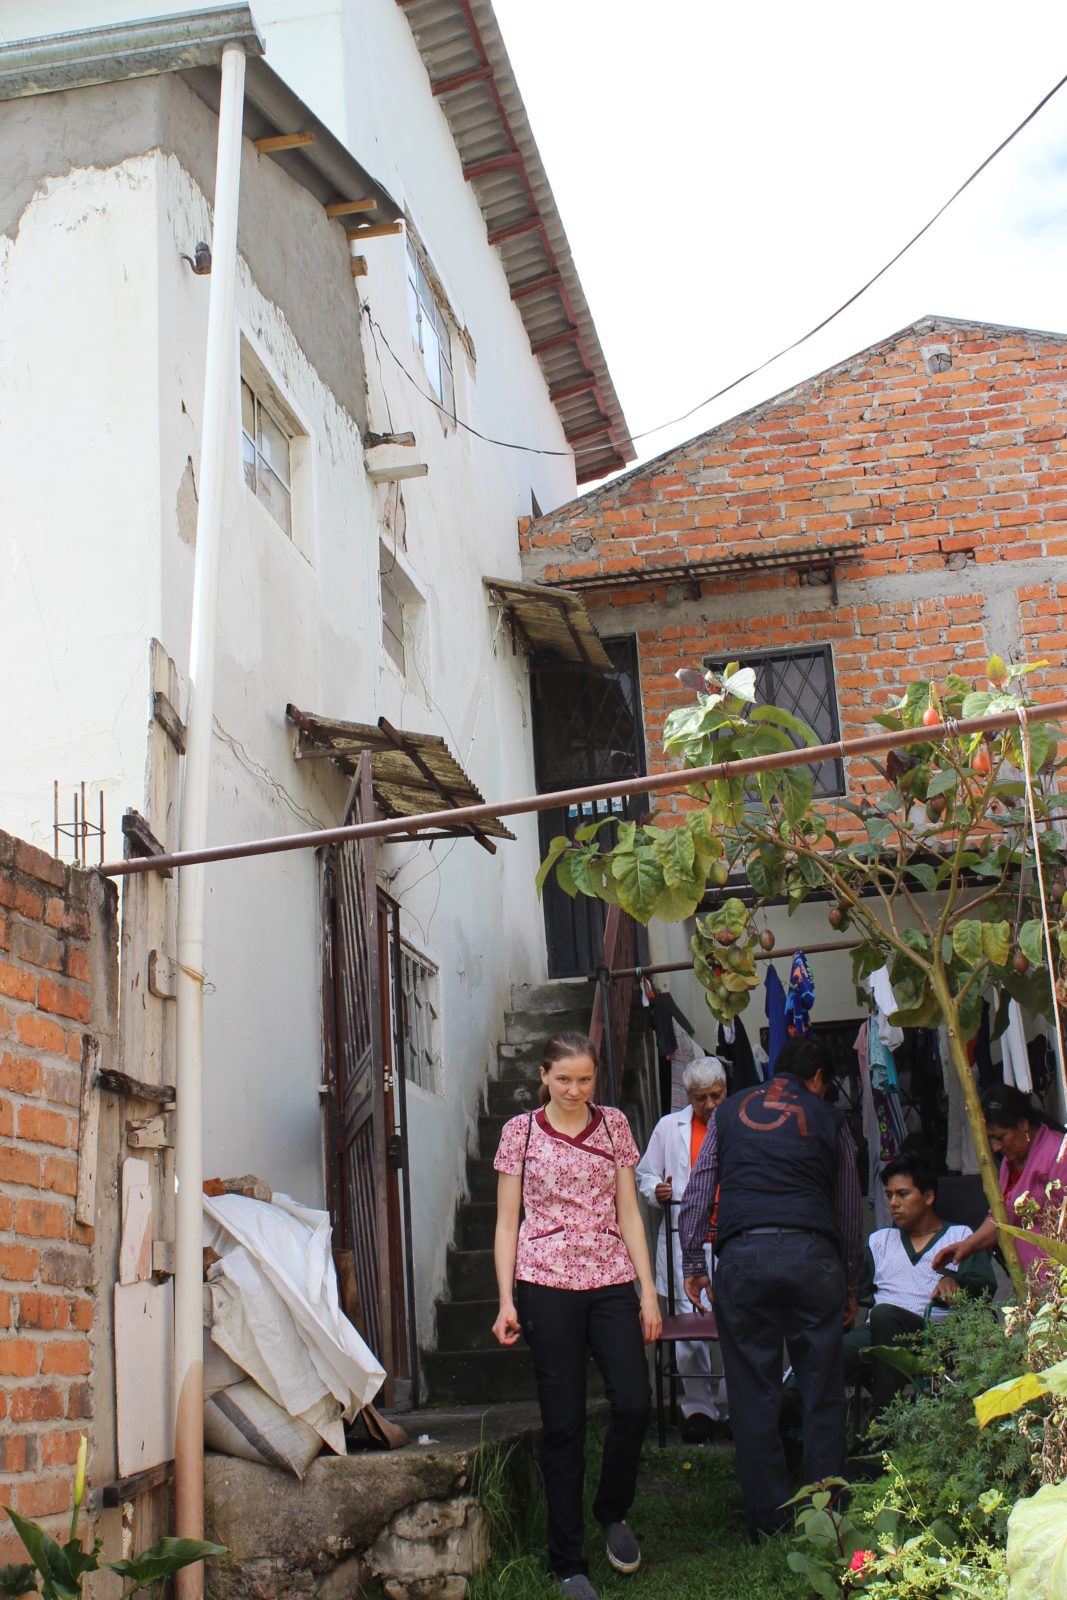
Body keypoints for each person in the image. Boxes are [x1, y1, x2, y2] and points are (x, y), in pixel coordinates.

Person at [492, 1033, 661, 1600]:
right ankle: (567, 1562)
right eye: (563, 1079)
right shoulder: (519, 1133)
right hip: (544, 1283)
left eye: (584, 1079)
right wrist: (506, 1299)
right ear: (543, 1076)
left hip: (611, 1279)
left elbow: (630, 1213)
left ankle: (612, 1511)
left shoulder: (613, 1125)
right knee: (562, 1424)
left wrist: (648, 1291)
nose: (574, 1089)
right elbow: (507, 1222)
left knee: (633, 1401)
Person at [678, 1034, 862, 1541]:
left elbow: (699, 1189)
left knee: (752, 1393)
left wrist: (693, 1261)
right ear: (819, 1078)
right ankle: (826, 1517)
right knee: (822, 1390)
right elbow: (849, 1206)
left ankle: (768, 1524)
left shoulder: (728, 1113)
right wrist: (850, 1280)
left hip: (743, 1258)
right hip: (812, 1257)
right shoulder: (831, 1119)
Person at [845, 1153, 996, 1412]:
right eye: (889, 1195)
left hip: (933, 1335)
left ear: (928, 1197)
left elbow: (985, 1286)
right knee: (822, 1356)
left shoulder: (961, 1236)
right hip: (875, 1334)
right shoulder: (880, 1241)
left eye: (902, 1194)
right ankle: (786, 1418)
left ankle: (887, 1421)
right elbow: (853, 1286)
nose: (893, 1203)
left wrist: (955, 1282)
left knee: (884, 1315)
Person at [636, 1056, 729, 1441]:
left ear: (725, 1090)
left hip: (728, 1238)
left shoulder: (736, 1124)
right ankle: (698, 1410)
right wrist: (656, 1190)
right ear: (687, 1096)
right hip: (683, 1240)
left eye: (716, 1096)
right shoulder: (668, 1127)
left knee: (733, 1323)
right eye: (700, 1098)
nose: (709, 1104)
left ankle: (733, 1408)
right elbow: (645, 1173)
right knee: (689, 1327)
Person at [933, 1083, 1067, 1279]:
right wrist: (968, 1245)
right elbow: (1000, 1218)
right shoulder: (1009, 1162)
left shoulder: (1059, 1156)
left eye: (1000, 1137)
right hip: (1033, 1282)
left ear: (1023, 1125)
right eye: (990, 1139)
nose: (995, 1147)